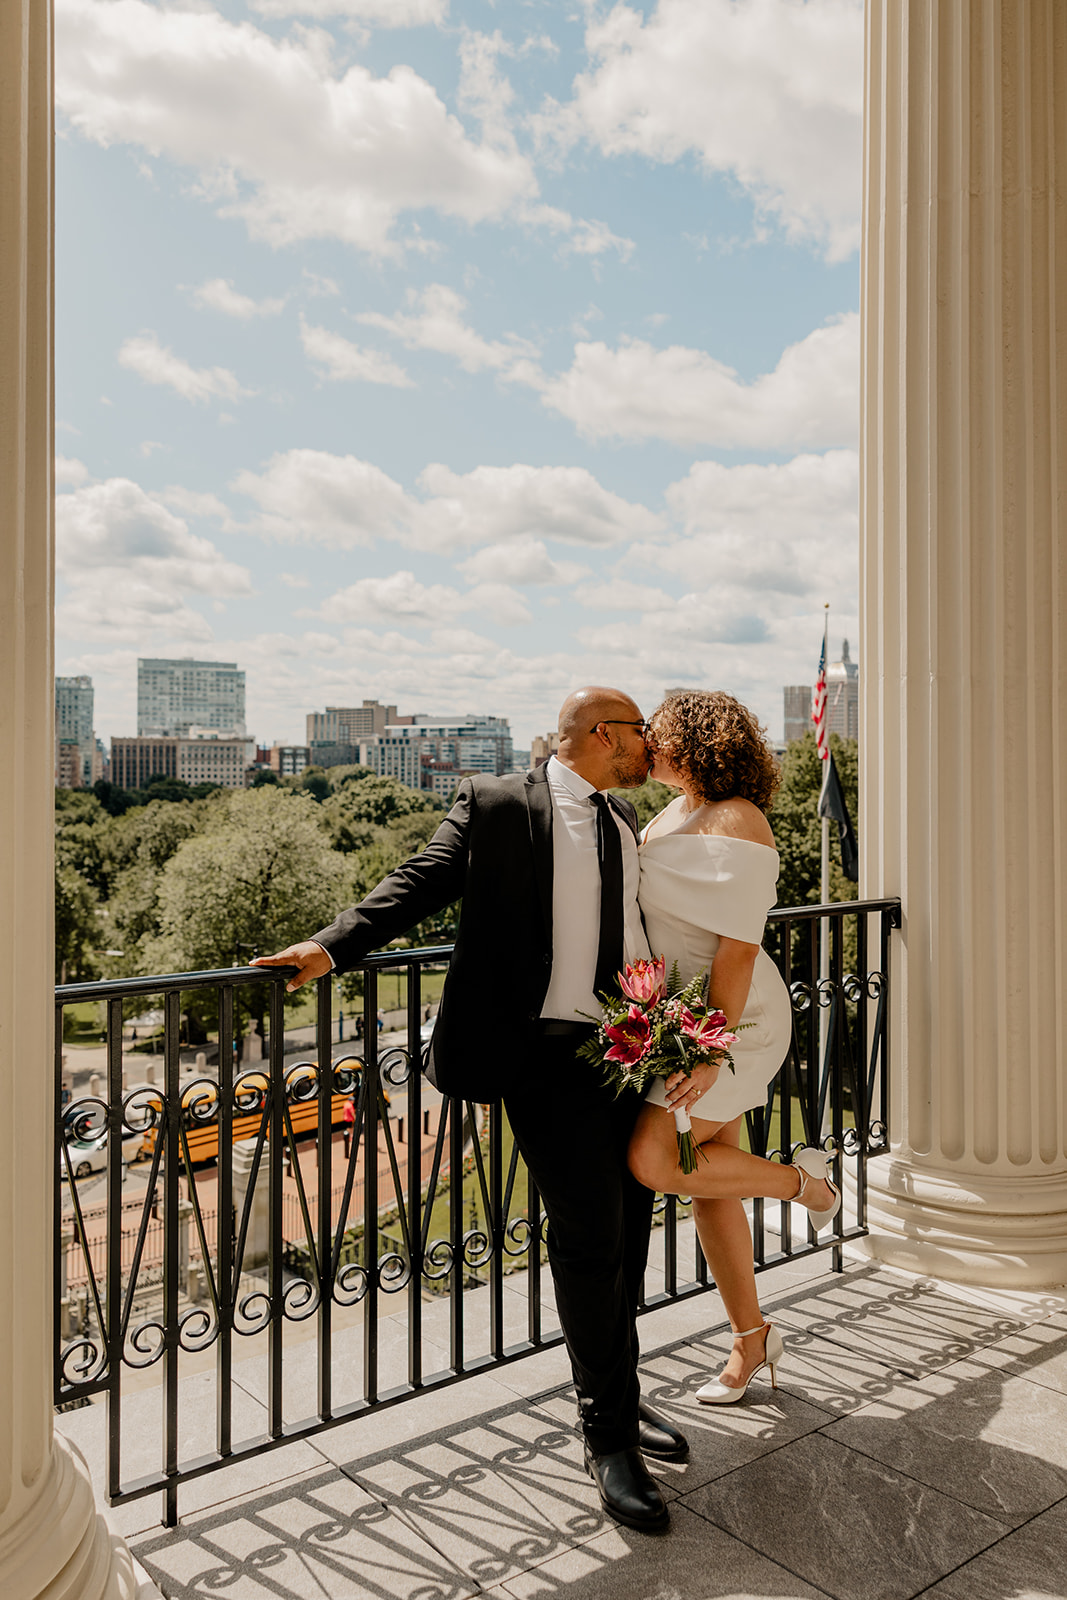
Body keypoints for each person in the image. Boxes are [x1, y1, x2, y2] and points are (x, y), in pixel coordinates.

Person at [251, 687, 685, 1533]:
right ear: (602, 734)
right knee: (590, 1235)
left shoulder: (623, 818)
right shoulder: (497, 804)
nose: (648, 744)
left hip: (628, 1051)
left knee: (630, 1227)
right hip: (545, 1058)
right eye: (639, 731)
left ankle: (621, 1398)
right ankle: (606, 1438)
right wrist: (331, 947)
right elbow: (419, 880)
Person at [628, 690, 841, 1405]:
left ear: (691, 738)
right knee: (704, 1184)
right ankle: (751, 1341)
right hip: (684, 1017)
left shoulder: (738, 819)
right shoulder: (671, 812)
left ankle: (805, 1186)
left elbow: (739, 947)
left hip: (733, 1020)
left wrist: (710, 1046)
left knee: (658, 1160)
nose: (641, 744)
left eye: (652, 733)